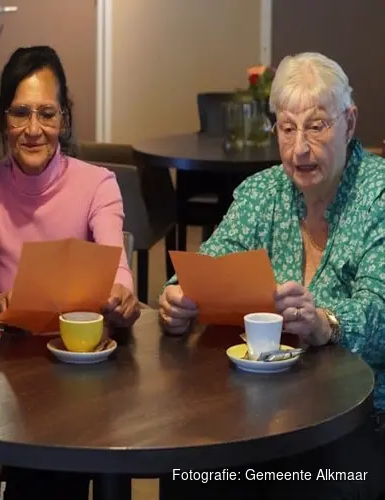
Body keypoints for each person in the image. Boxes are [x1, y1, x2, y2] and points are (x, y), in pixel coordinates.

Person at [158, 52, 385, 499]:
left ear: (350, 122)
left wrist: (325, 322)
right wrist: (177, 298)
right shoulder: (263, 192)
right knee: (186, 470)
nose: (299, 148)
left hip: (357, 417)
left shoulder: (379, 195)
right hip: (261, 412)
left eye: (317, 125)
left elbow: (381, 310)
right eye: (287, 127)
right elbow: (210, 262)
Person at [0, 45, 139, 499]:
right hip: (15, 372)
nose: (34, 130)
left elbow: (118, 272)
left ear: (65, 119)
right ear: (2, 120)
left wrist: (121, 298)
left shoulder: (98, 184)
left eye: (47, 114)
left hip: (86, 366)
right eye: (20, 114)